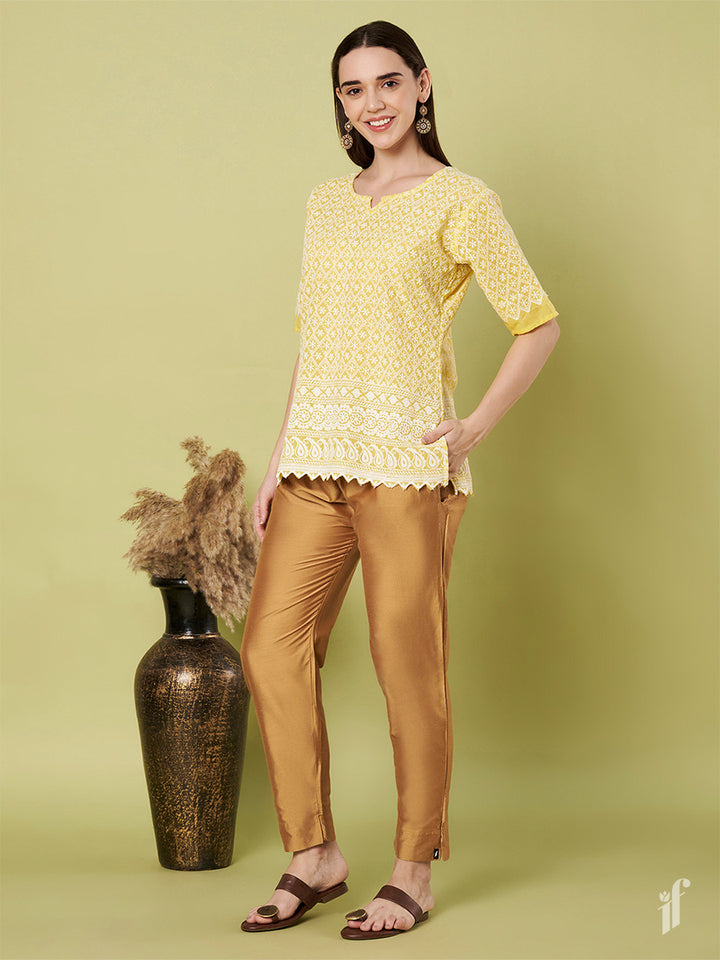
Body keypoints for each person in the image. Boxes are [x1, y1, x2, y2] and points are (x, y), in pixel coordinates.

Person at [239, 19, 560, 941]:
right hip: (315, 464)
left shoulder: (460, 198)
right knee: (270, 649)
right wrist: (277, 459)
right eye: (353, 89)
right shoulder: (326, 203)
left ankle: (412, 869)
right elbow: (315, 344)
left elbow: (537, 323)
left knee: (405, 663)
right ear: (340, 104)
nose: (371, 103)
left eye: (387, 82)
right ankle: (314, 854)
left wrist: (472, 429)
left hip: (406, 467)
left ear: (422, 86)